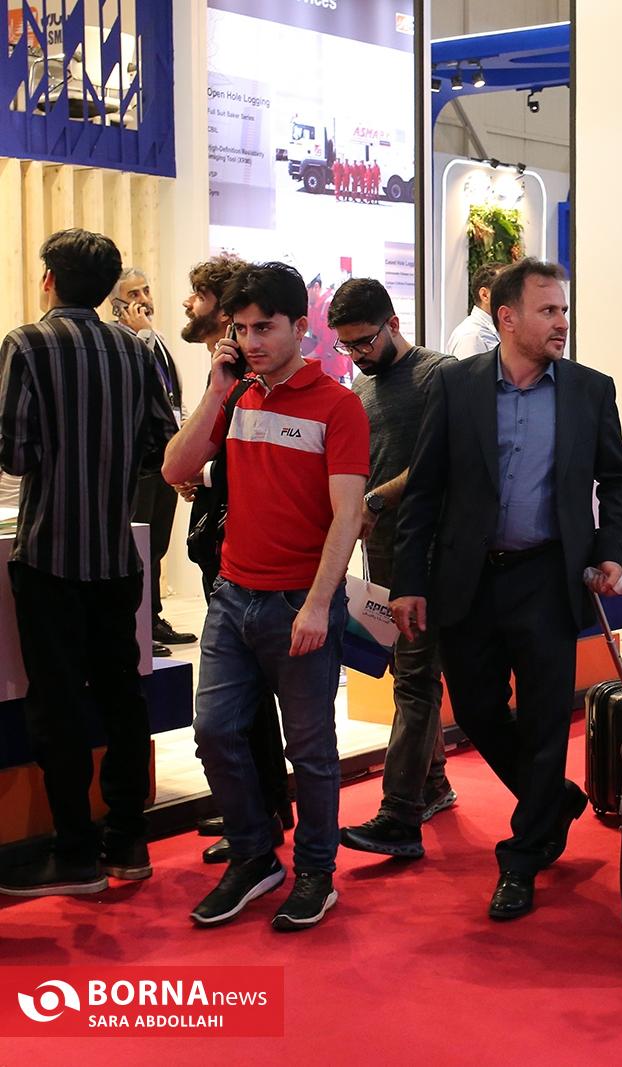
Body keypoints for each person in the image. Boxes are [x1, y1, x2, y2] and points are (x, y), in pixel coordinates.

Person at [390, 258, 622, 921]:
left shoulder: (589, 389)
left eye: (564, 310)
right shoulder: (457, 385)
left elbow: (619, 480)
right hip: (467, 579)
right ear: (507, 317)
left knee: (546, 718)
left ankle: (523, 857)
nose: (562, 322)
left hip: (547, 576)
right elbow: (425, 491)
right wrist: (409, 582)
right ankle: (552, 798)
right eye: (547, 310)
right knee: (474, 710)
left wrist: (609, 549)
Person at [163, 261, 370, 931]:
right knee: (215, 731)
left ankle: (315, 871)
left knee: (309, 750)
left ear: (300, 328)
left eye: (265, 328)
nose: (251, 341)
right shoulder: (237, 397)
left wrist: (317, 603)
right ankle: (255, 855)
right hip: (233, 595)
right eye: (241, 328)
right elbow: (174, 467)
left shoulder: (337, 405)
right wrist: (217, 391)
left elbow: (348, 515)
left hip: (297, 601)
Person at [0, 229, 178, 897]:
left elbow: (14, 453)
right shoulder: (135, 349)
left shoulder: (26, 344)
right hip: (114, 553)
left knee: (57, 704)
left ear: (49, 279)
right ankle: (128, 840)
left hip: (50, 553)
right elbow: (161, 443)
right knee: (122, 695)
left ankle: (74, 851)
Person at [327, 279, 457, 861]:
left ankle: (400, 813)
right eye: (347, 345)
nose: (356, 354)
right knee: (409, 670)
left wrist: (375, 501)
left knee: (415, 677)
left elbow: (440, 463)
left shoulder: (440, 375)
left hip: (430, 551)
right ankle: (433, 784)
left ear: (394, 323)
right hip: (382, 550)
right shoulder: (362, 386)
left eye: (364, 341)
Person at [173, 253, 295, 865]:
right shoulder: (229, 373)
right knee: (242, 701)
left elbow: (239, 460)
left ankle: (265, 808)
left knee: (250, 697)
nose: (187, 303)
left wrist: (200, 471)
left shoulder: (247, 377)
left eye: (197, 294)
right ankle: (262, 804)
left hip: (245, 553)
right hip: (225, 543)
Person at [113, 267, 196, 654]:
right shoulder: (124, 342)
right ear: (116, 304)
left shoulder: (155, 339)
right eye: (134, 294)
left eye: (146, 290)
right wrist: (144, 335)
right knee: (139, 543)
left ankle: (153, 616)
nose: (144, 299)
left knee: (157, 543)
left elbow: (170, 397)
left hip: (166, 456)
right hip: (140, 462)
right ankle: (136, 626)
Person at [445, 263, 505, 360]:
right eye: (507, 290)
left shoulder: (500, 328)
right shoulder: (471, 336)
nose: (515, 297)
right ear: (484, 295)